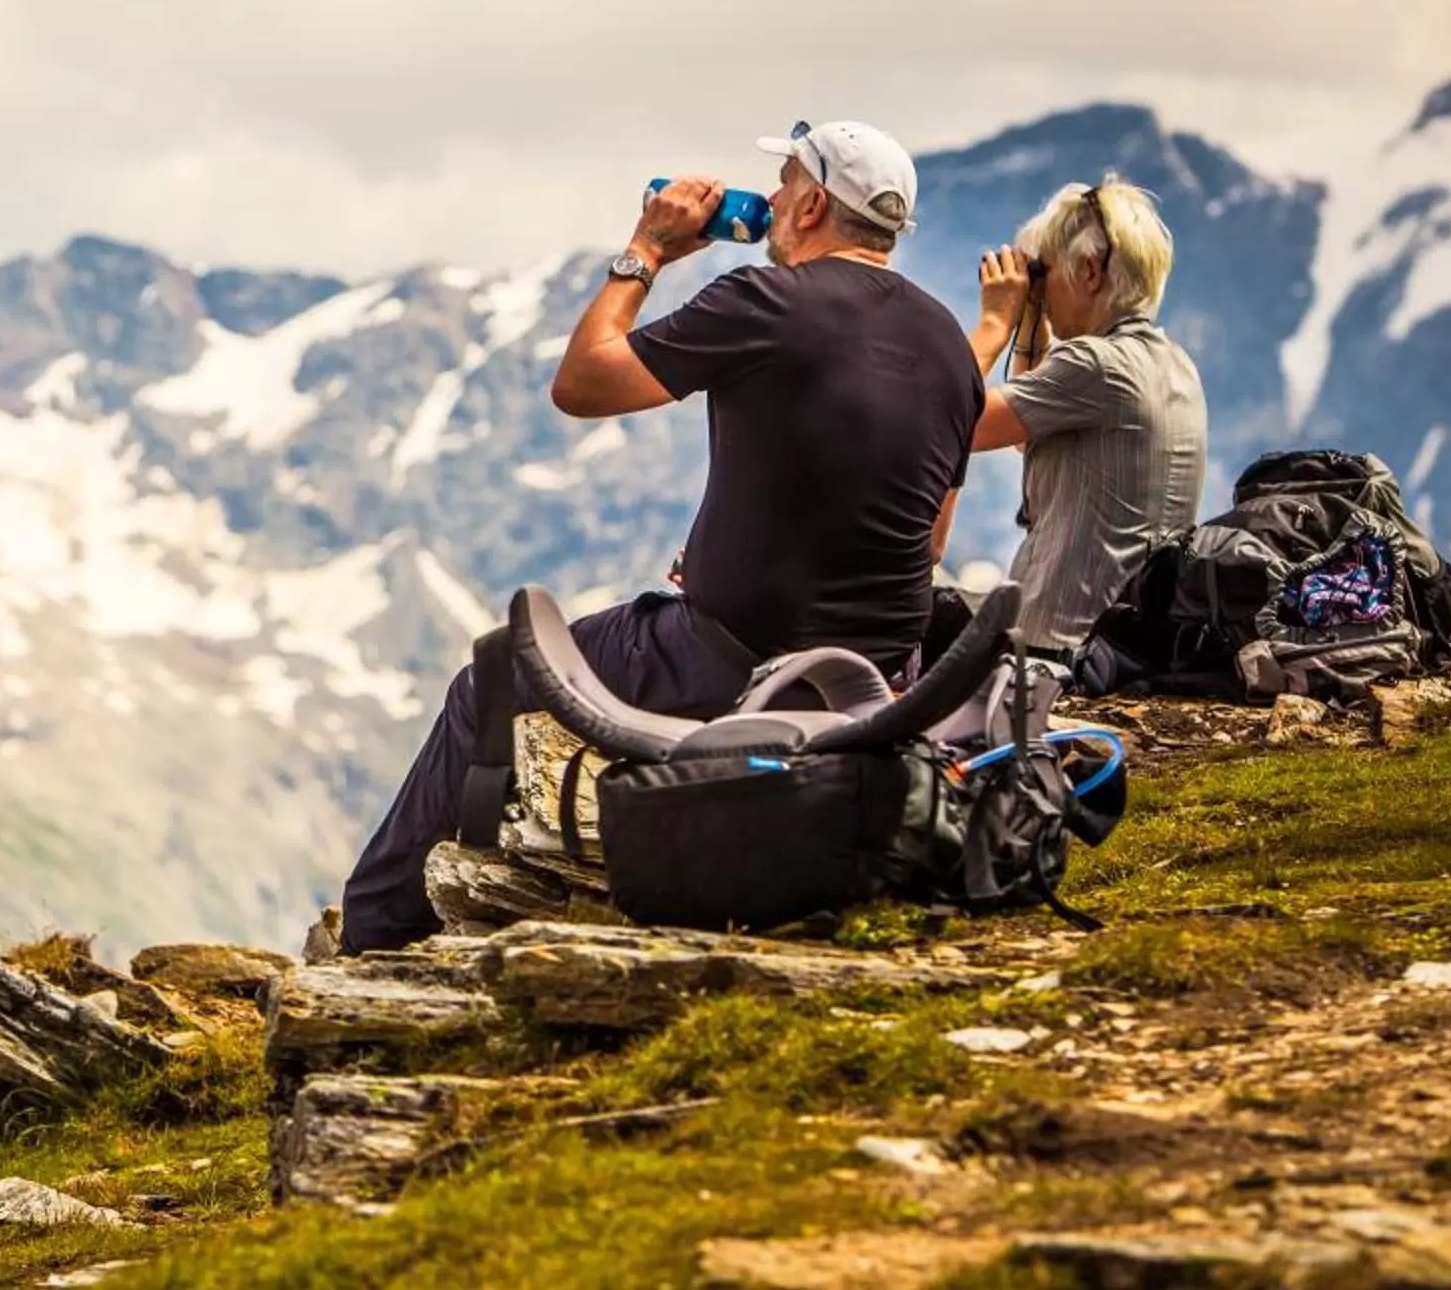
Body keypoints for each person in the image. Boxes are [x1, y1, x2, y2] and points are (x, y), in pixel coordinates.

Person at [338, 120, 983, 954]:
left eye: (785, 186)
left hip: (729, 657)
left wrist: (647, 247)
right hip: (878, 681)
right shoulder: (949, 345)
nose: (773, 203)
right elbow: (929, 543)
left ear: (816, 204)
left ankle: (385, 939)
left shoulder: (765, 301)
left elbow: (582, 384)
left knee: (488, 681)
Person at [963, 177, 1207, 655]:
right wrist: (1032, 321)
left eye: (1045, 271)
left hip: (1057, 645)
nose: (1041, 288)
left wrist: (995, 323)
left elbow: (949, 423)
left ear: (1090, 271)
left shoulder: (1096, 365)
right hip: (1121, 644)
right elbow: (1024, 433)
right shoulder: (1175, 363)